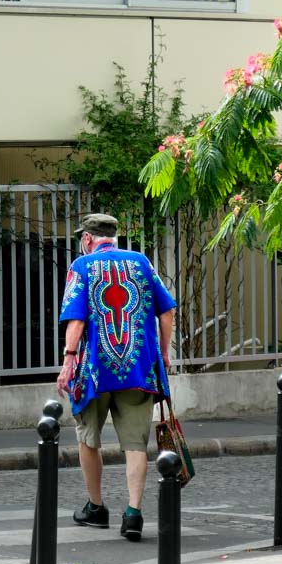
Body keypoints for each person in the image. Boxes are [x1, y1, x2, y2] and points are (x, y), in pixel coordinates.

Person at [55, 213, 177, 542]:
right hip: (138, 368)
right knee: (136, 443)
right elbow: (167, 312)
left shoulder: (81, 267)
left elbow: (76, 320)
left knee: (88, 437)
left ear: (87, 239)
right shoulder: (141, 263)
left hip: (94, 370)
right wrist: (163, 353)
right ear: (114, 237)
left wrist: (68, 360)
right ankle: (134, 513)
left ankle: (96, 507)